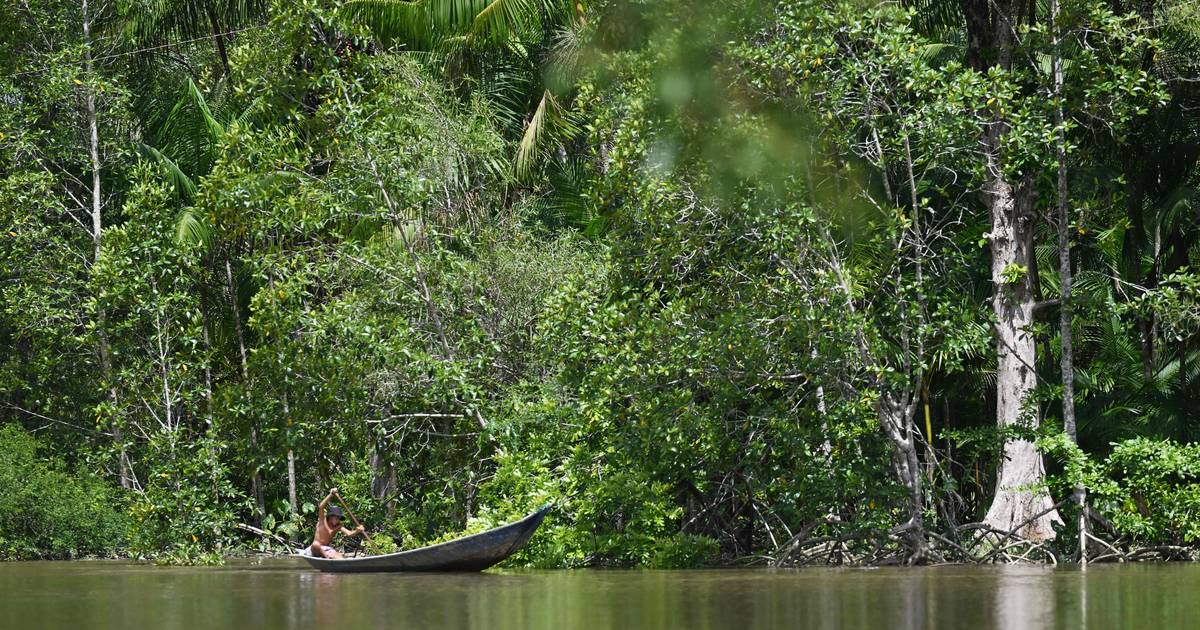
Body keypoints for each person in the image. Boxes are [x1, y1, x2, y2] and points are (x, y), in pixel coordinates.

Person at [309, 487, 366, 559]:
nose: (337, 519)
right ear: (330, 517)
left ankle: (339, 562)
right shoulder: (322, 521)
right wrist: (330, 495)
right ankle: (326, 557)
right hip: (316, 549)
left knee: (340, 557)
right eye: (335, 517)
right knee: (316, 544)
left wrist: (357, 530)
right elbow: (321, 507)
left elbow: (349, 533)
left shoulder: (338, 526)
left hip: (326, 549)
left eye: (338, 518)